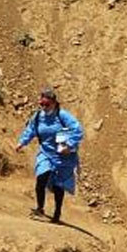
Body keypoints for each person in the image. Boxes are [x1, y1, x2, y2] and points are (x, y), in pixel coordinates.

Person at [15, 87, 84, 224]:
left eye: (47, 105)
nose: (44, 107)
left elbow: (77, 130)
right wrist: (22, 142)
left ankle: (57, 213)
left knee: (59, 185)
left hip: (63, 156)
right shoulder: (37, 117)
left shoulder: (62, 116)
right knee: (42, 176)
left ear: (54, 103)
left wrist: (69, 145)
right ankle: (40, 208)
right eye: (41, 104)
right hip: (46, 152)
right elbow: (31, 130)